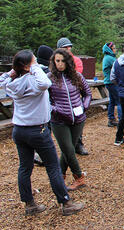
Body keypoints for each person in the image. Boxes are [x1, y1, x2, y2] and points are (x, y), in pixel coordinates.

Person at [0, 50, 84, 216]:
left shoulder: (12, 82)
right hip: (38, 129)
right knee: (53, 167)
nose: (37, 61)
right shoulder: (35, 80)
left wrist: (14, 71)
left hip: (19, 129)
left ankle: (29, 204)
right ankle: (66, 203)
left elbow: (2, 80)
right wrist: (34, 68)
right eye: (34, 60)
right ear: (28, 65)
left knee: (25, 167)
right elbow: (46, 84)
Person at [48, 49, 92, 191]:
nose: (60, 64)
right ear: (54, 62)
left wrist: (84, 107)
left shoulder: (77, 76)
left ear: (68, 61)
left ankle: (60, 177)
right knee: (67, 149)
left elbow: (87, 93)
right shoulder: (49, 78)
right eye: (57, 61)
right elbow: (44, 101)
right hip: (59, 120)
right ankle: (79, 177)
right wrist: (56, 110)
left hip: (78, 119)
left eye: (63, 61)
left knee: (69, 150)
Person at [57, 37, 88, 155]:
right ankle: (66, 146)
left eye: (69, 47)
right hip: (60, 97)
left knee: (78, 118)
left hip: (74, 95)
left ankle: (78, 144)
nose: (68, 49)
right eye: (65, 47)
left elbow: (76, 75)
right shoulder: (55, 60)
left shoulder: (76, 60)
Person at [33, 45, 54, 166]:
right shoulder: (46, 72)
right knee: (45, 130)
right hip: (45, 107)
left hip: (33, 108)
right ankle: (42, 156)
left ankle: (36, 153)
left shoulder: (31, 71)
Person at [102, 42, 122, 127]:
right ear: (110, 49)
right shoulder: (110, 58)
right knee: (120, 101)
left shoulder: (107, 57)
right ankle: (121, 120)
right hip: (112, 83)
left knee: (112, 101)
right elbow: (120, 65)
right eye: (114, 48)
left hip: (109, 82)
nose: (115, 50)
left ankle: (111, 119)